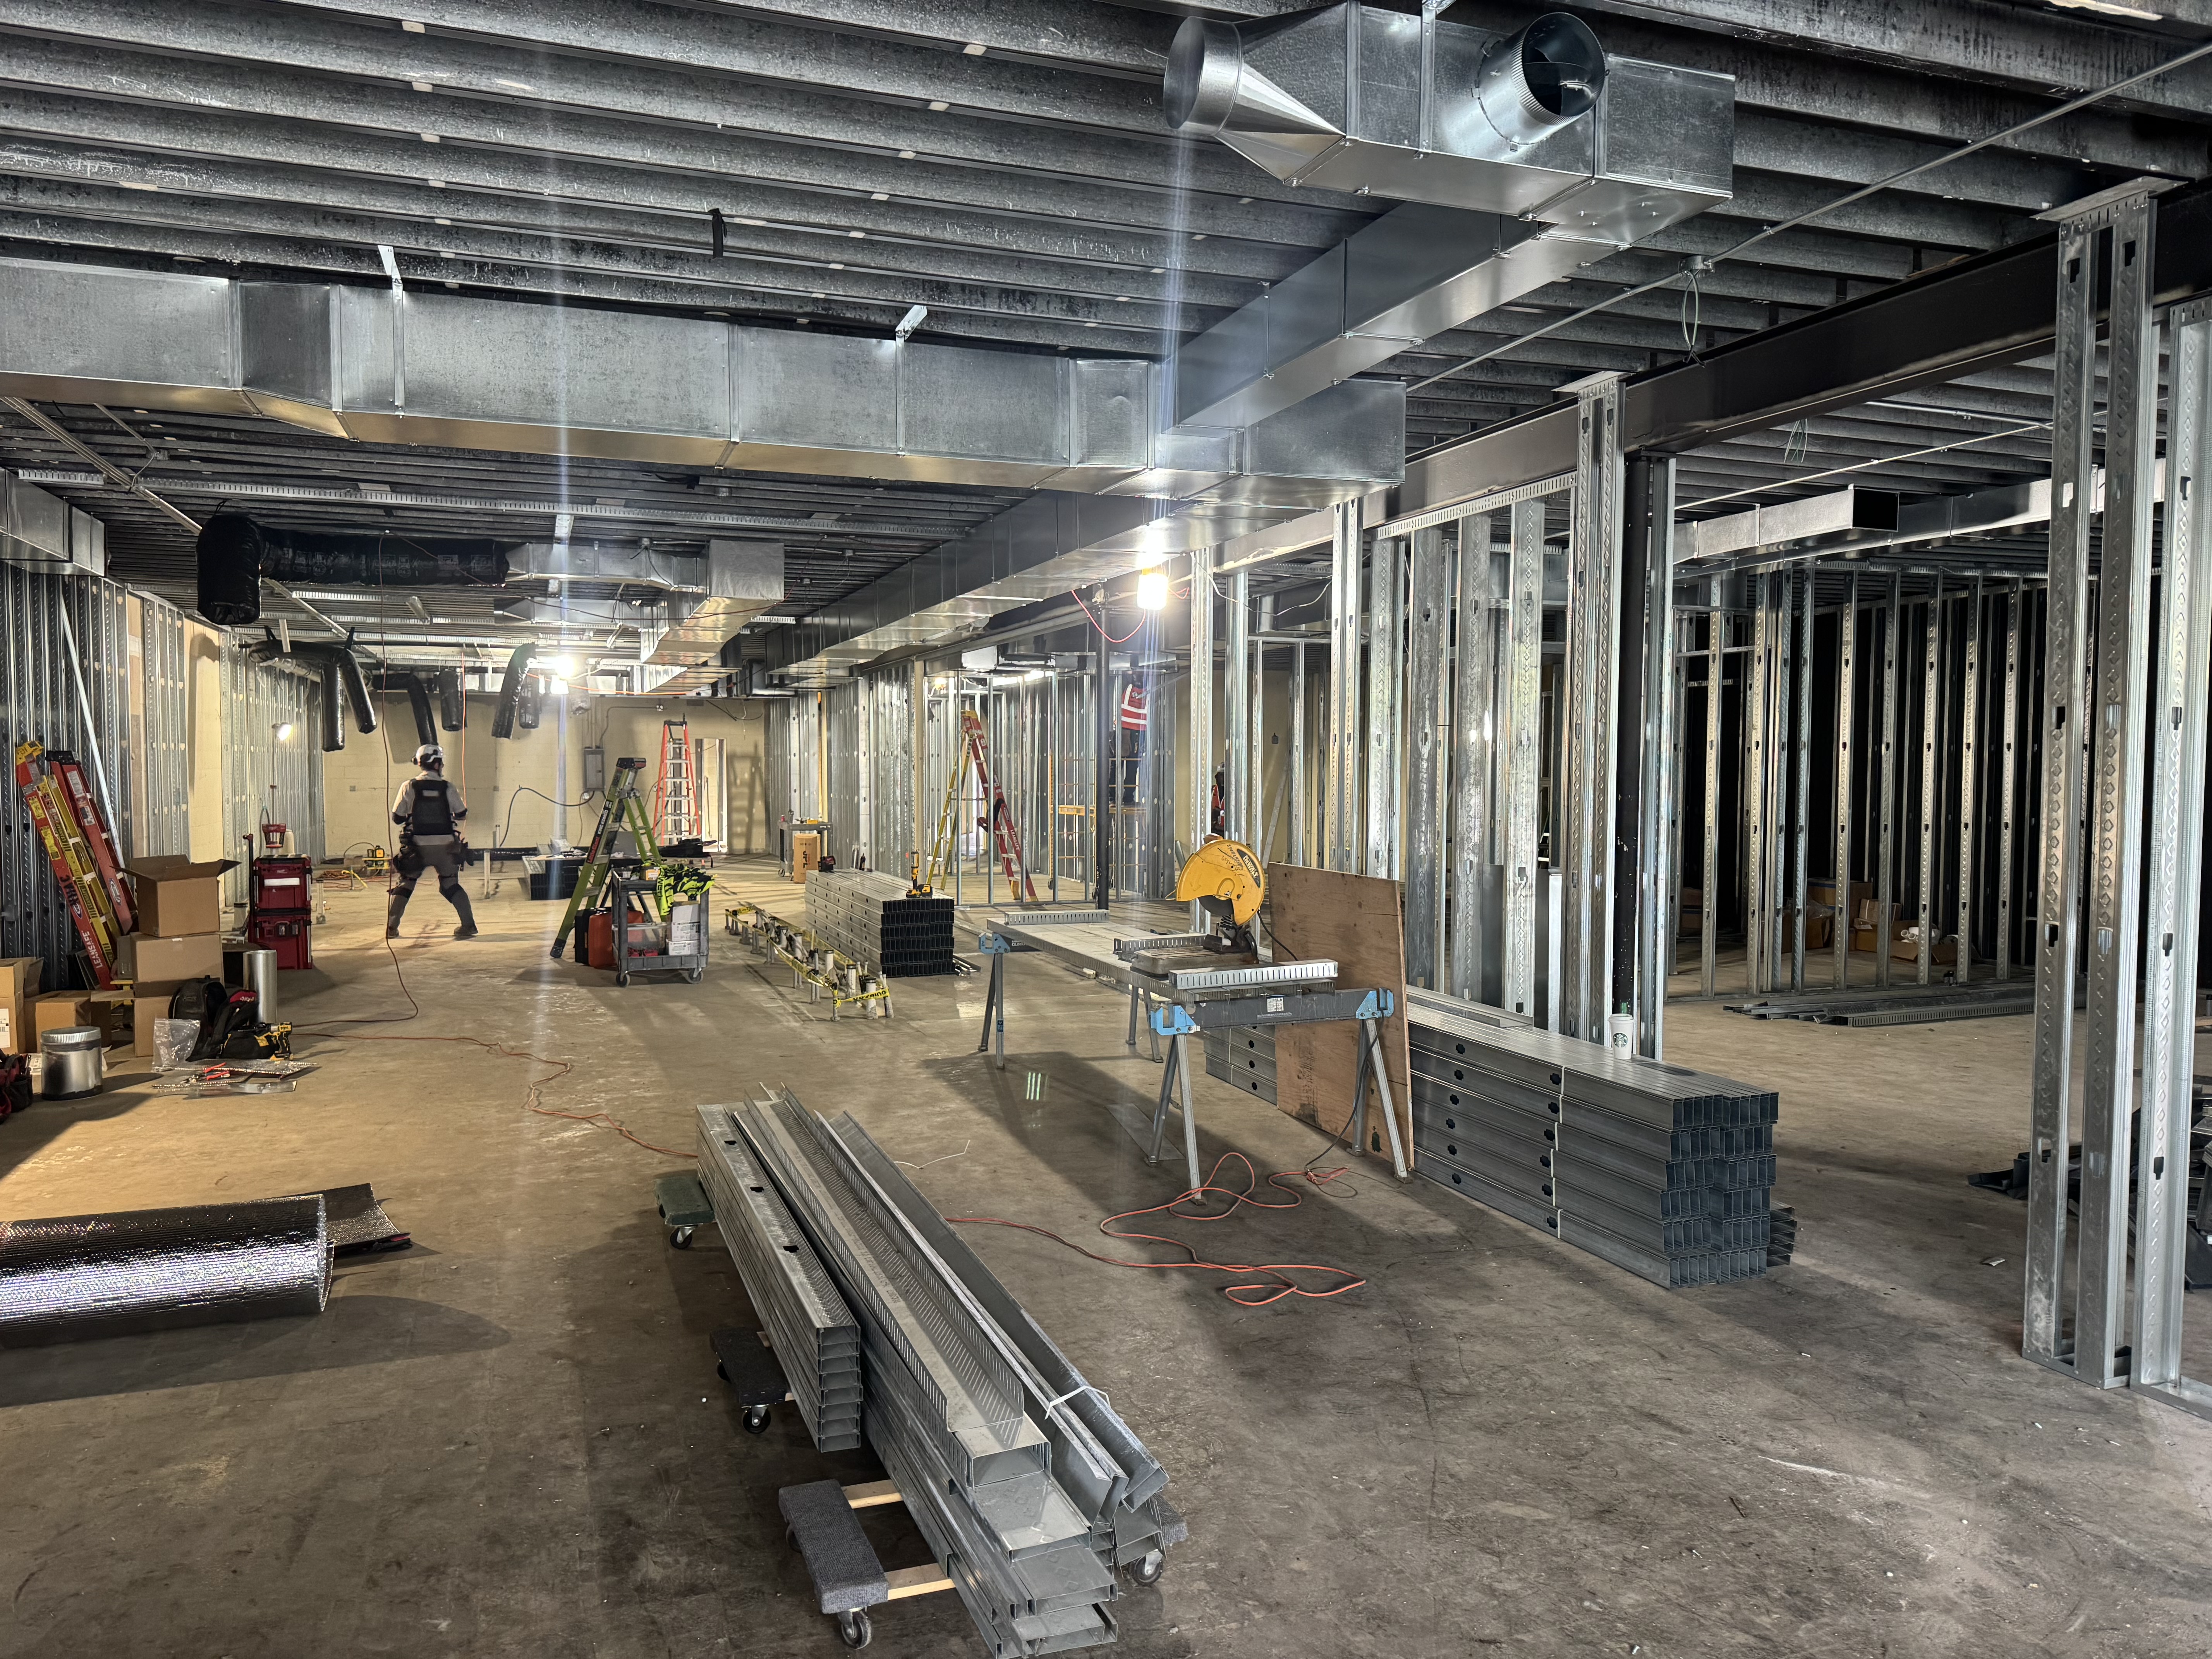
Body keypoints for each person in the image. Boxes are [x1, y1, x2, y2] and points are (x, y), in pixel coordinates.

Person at [387, 743, 479, 940]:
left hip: (416, 849)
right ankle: (468, 925)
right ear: (438, 764)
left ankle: (392, 928)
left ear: (421, 764)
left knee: (406, 884)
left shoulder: (409, 786)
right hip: (446, 848)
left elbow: (397, 818)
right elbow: (462, 814)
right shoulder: (448, 787)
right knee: (451, 885)